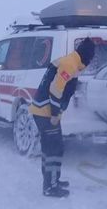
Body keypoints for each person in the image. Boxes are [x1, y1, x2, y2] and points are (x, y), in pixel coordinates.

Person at [29, 37, 96, 198]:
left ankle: (53, 181)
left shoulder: (71, 62)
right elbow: (55, 90)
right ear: (87, 57)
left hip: (43, 110)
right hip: (45, 112)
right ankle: (50, 187)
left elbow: (65, 86)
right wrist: (54, 114)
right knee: (54, 149)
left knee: (52, 148)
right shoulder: (69, 64)